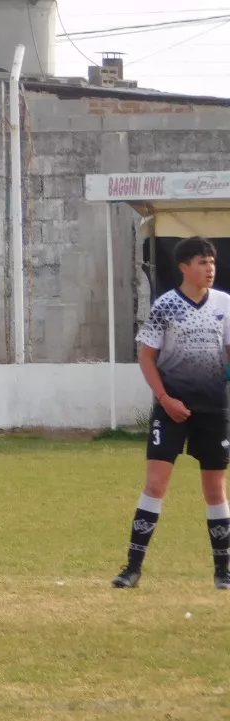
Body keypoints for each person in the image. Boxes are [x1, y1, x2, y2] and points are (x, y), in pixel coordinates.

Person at [113, 236, 230, 589]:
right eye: (202, 262)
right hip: (171, 410)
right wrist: (165, 399)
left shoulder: (225, 303)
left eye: (211, 262)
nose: (210, 269)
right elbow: (146, 357)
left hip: (213, 410)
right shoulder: (165, 306)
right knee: (155, 485)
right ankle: (132, 568)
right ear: (183, 267)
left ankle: (223, 572)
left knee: (216, 489)